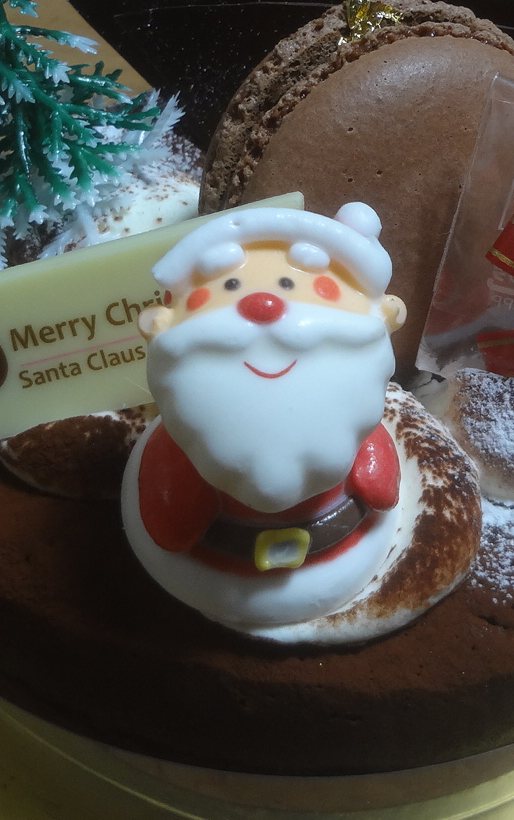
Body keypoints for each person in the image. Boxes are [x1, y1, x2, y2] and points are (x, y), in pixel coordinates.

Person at [123, 203, 411, 629]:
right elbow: (169, 523)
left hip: (347, 548)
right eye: (232, 286)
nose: (264, 305)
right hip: (207, 568)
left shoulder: (357, 417)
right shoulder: (182, 433)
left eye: (288, 286)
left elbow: (382, 487)